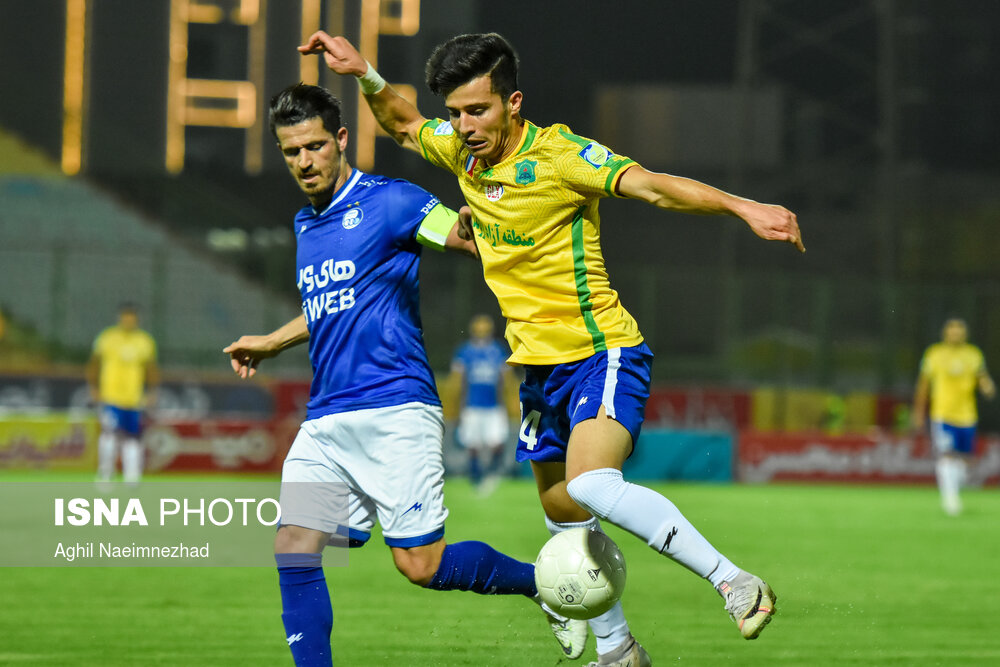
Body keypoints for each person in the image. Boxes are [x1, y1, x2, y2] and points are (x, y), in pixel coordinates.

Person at [300, 31, 804, 665]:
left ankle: (735, 582)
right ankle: (618, 649)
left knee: (591, 484)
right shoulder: (464, 154)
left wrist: (742, 207)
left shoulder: (561, 156)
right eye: (455, 113)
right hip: (537, 370)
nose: (463, 125)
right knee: (564, 516)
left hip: (601, 351)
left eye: (476, 110)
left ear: (513, 102)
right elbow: (404, 123)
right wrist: (365, 73)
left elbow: (648, 185)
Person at [223, 83, 580, 667]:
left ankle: (543, 587)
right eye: (291, 152)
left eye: (313, 146)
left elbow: (460, 238)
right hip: (327, 419)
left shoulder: (391, 201)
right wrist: (272, 341)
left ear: (341, 140)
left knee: (422, 567)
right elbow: (333, 303)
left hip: (395, 410)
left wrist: (476, 225)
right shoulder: (306, 224)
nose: (304, 162)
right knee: (293, 546)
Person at [912, 318, 995, 515]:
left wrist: (987, 387)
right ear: (945, 333)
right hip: (943, 414)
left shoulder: (973, 354)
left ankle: (955, 490)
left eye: (959, 331)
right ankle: (950, 499)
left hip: (967, 415)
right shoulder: (934, 354)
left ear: (964, 333)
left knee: (964, 461)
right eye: (952, 330)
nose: (955, 334)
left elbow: (981, 377)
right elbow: (923, 385)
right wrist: (918, 412)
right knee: (946, 455)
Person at [87, 302, 158, 485]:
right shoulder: (107, 338)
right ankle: (106, 473)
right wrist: (94, 387)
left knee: (132, 436)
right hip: (111, 396)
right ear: (120, 318)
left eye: (132, 318)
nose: (128, 321)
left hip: (134, 398)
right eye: (125, 318)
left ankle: (132, 476)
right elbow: (94, 363)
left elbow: (151, 369)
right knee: (109, 433)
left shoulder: (144, 341)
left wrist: (152, 391)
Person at [448, 313, 513, 493]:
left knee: (497, 442)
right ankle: (476, 476)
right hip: (472, 405)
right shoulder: (465, 351)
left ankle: (491, 472)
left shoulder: (498, 350)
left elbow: (505, 379)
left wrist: (510, 401)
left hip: (493, 405)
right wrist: (456, 405)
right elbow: (458, 381)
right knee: (473, 444)